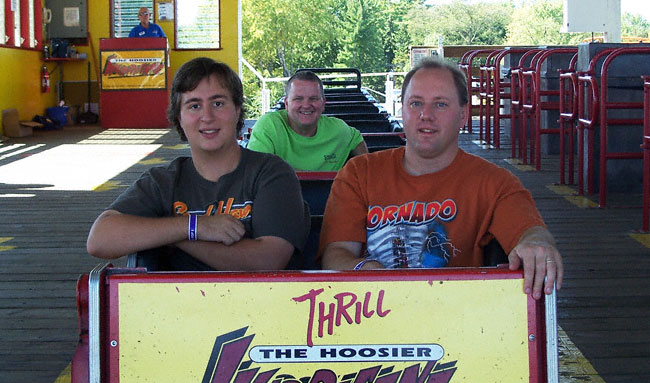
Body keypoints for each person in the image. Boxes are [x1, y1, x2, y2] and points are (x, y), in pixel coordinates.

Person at [319, 57, 563, 300]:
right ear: (402, 110)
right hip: (370, 310)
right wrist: (366, 270)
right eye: (415, 103)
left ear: (463, 115)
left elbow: (532, 233)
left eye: (441, 104)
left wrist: (536, 246)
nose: (426, 115)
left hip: (457, 320)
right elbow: (336, 253)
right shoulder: (359, 173)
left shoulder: (495, 183)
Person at [87, 57, 309, 272]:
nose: (207, 116)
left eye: (218, 103)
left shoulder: (271, 173)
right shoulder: (163, 182)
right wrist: (195, 226)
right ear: (179, 118)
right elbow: (99, 239)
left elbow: (267, 260)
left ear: (237, 110)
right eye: (194, 106)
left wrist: (177, 235)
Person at [247, 70, 368, 171]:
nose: (306, 105)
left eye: (313, 99)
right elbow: (256, 170)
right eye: (298, 99)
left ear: (323, 104)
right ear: (287, 104)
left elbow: (357, 140)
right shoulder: (268, 126)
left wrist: (364, 173)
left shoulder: (339, 129)